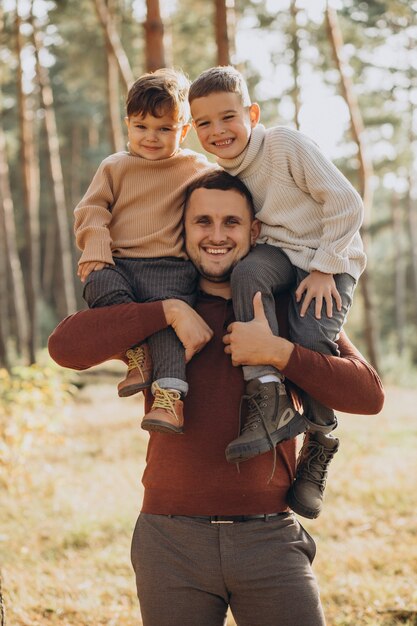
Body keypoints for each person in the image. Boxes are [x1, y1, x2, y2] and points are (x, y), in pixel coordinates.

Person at [49, 170, 384, 626]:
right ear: (181, 232)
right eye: (202, 222)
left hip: (270, 538)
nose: (217, 235)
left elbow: (369, 395)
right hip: (169, 540)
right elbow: (65, 348)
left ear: (255, 231)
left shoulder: (289, 307)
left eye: (231, 222)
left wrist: (279, 352)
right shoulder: (160, 310)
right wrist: (166, 311)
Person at [188, 66, 367, 518]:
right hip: (280, 255)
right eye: (204, 123)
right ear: (192, 129)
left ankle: (321, 437)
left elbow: (347, 204)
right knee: (247, 275)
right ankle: (269, 401)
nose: (218, 131)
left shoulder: (285, 145)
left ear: (251, 113)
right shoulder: (223, 172)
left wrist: (326, 268)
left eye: (228, 117)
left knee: (307, 336)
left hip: (330, 255)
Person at [74, 67, 214, 434]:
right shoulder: (115, 167)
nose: (151, 137)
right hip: (120, 265)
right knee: (97, 282)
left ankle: (169, 398)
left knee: (167, 328)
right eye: (142, 127)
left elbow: (228, 192)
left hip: (172, 269)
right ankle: (137, 353)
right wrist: (96, 248)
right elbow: (92, 210)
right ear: (128, 125)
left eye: (164, 129)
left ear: (183, 131)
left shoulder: (196, 167)